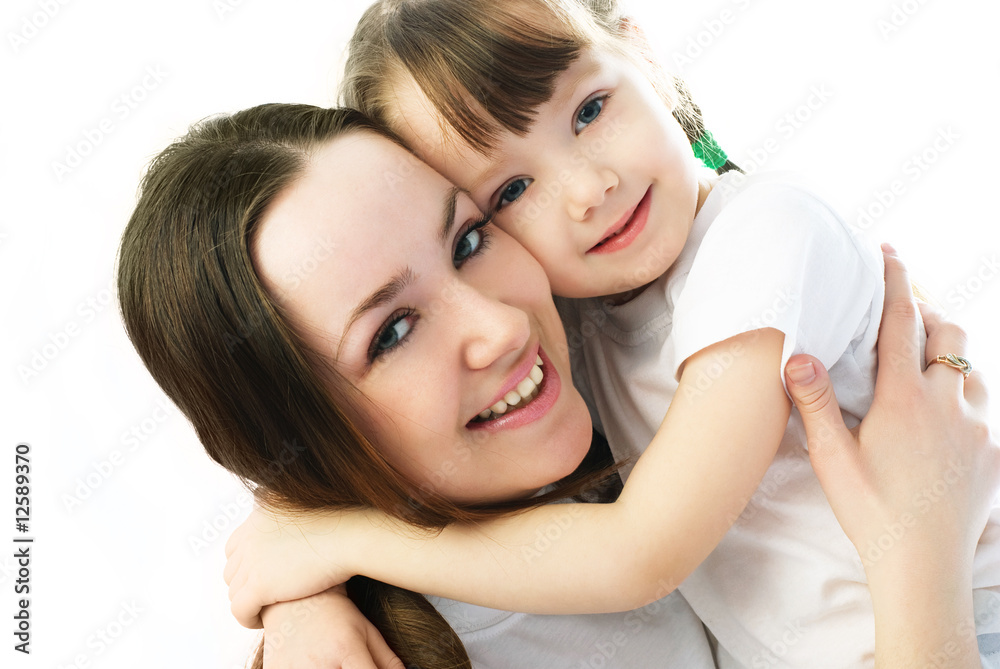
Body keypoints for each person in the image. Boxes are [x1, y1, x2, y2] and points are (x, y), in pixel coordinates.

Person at [223, 0, 1000, 666]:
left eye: (589, 111)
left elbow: (642, 553)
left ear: (639, 48)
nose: (589, 190)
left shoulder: (767, 237)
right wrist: (308, 588)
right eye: (512, 190)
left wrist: (339, 543)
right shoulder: (581, 317)